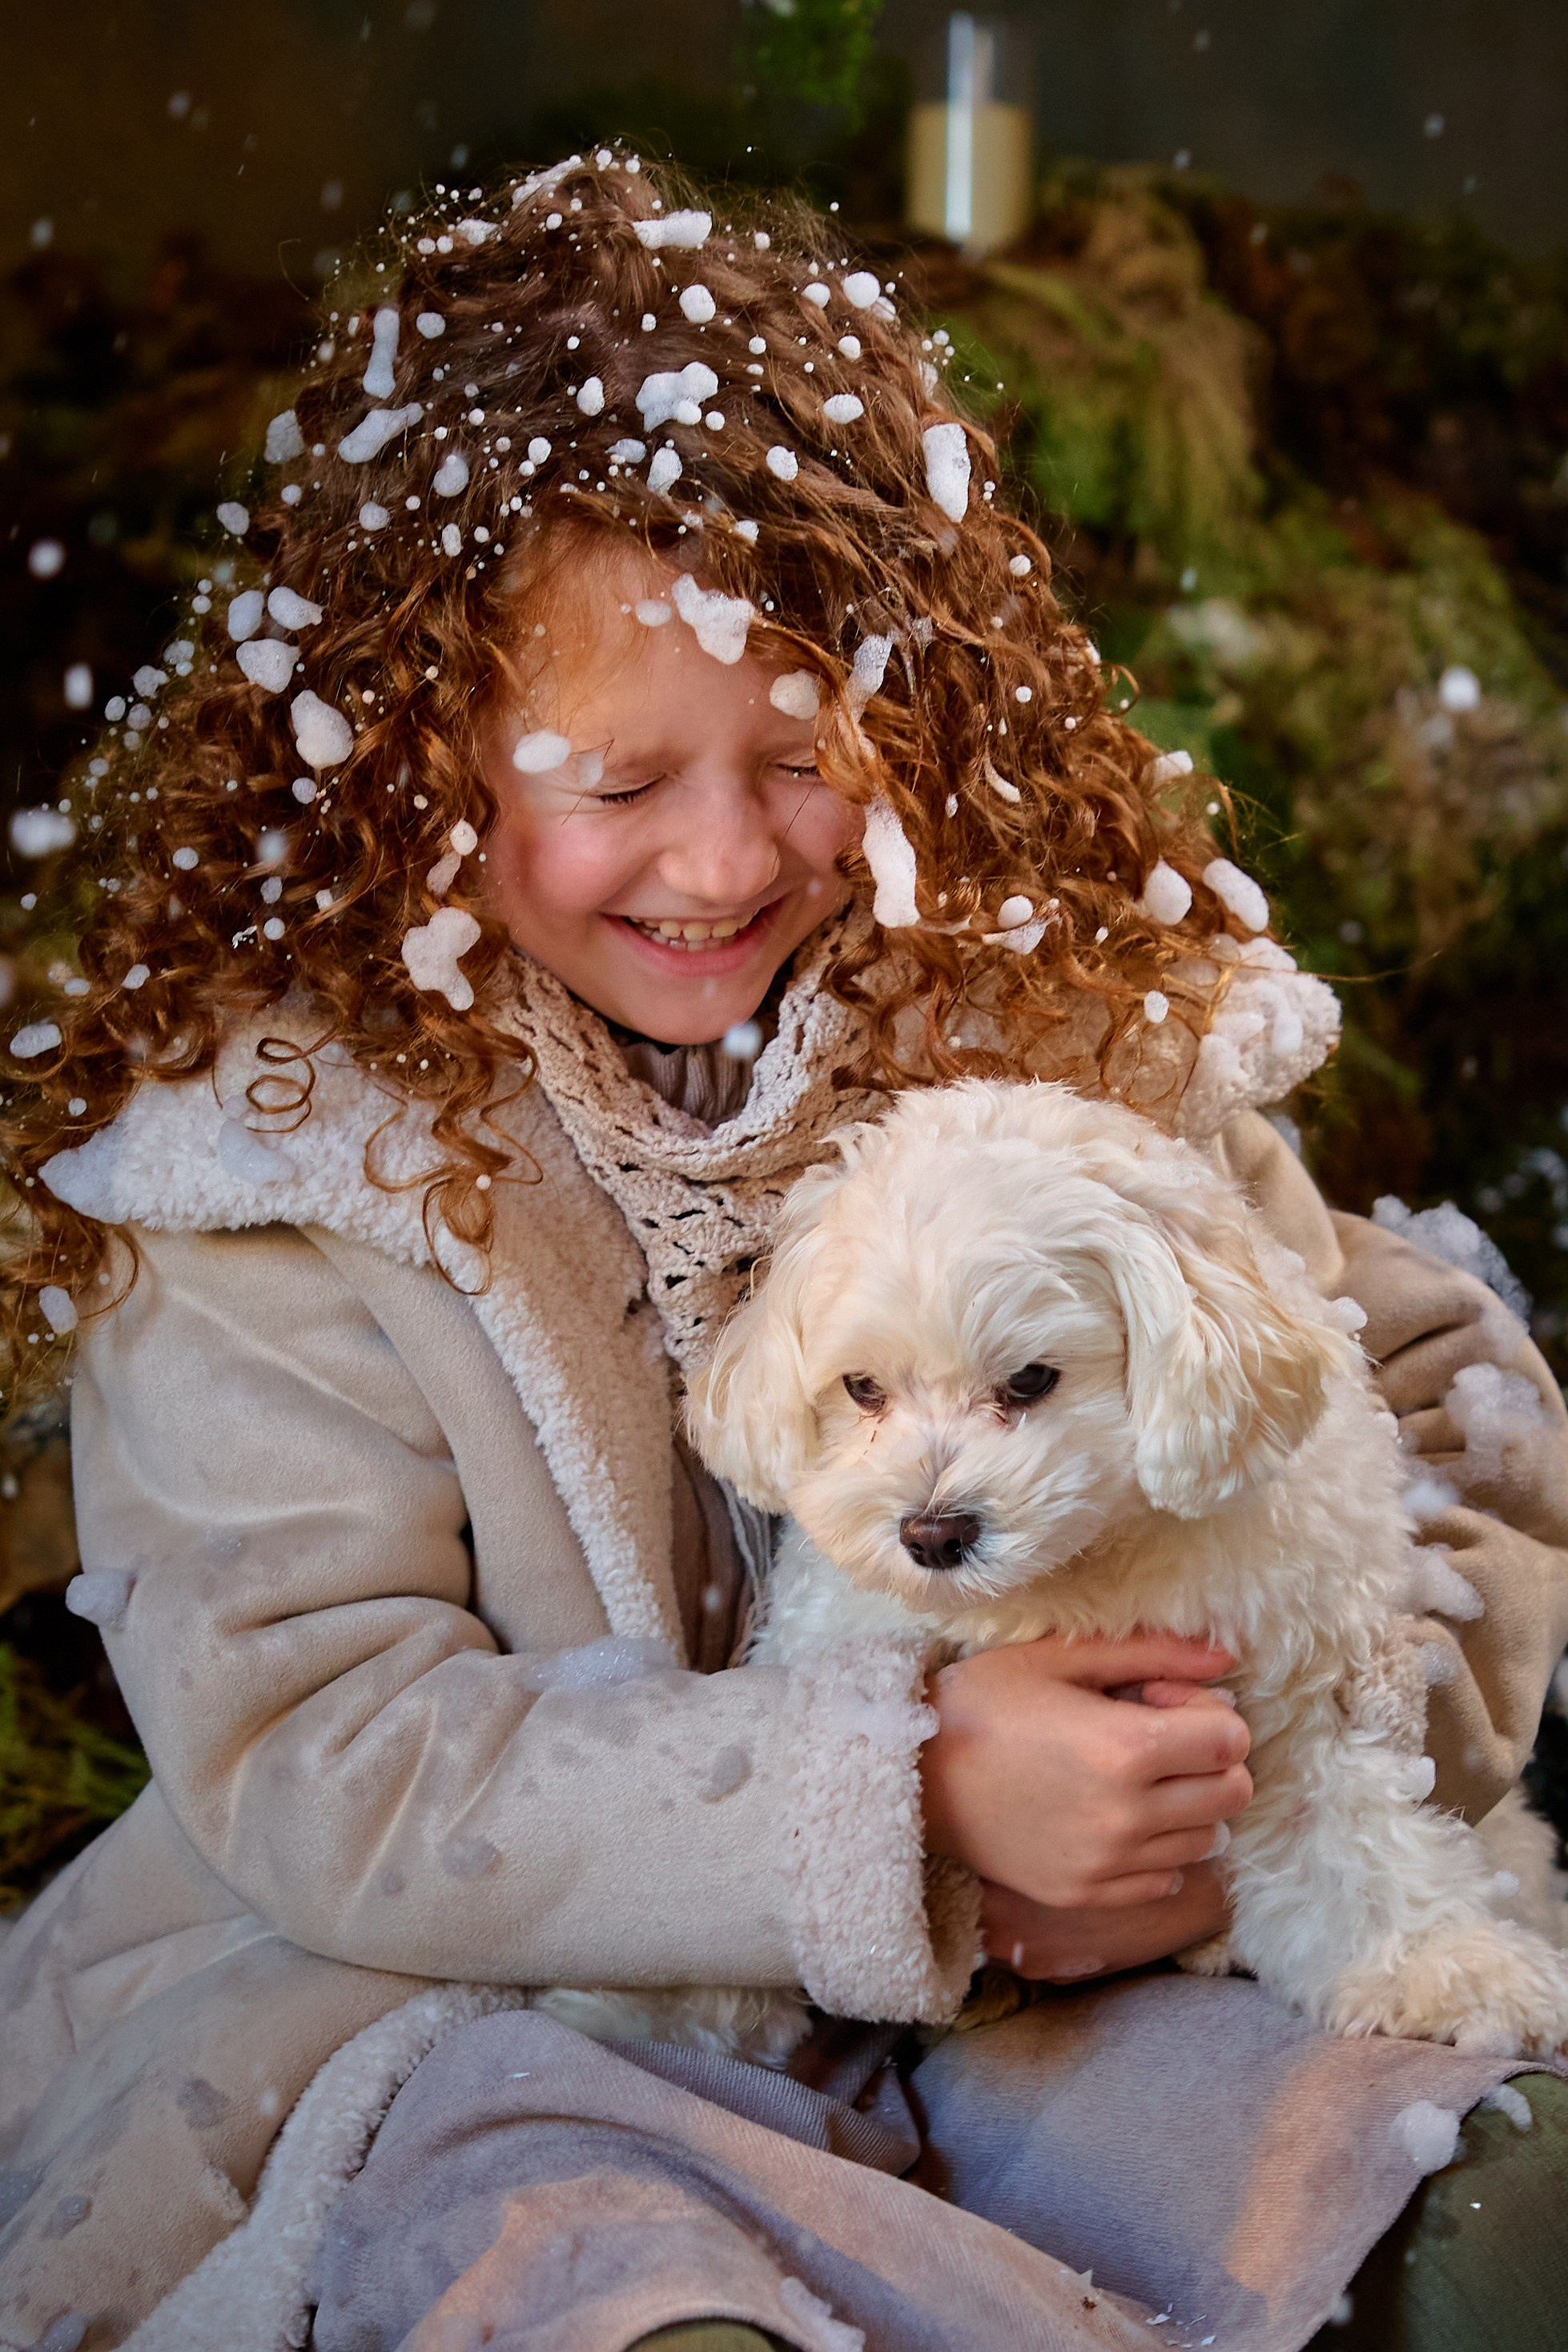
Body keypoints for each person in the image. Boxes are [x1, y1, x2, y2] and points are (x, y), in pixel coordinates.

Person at [0, 153, 1564, 2352]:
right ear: (417, 744)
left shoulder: (1057, 1013)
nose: (723, 857)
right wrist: (898, 1811)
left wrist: (1220, 1804)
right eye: (617, 777)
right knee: (580, 2268)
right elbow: (324, 1740)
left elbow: (1405, 1415)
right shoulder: (289, 1148)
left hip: (1130, 1965)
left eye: (803, 755)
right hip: (509, 2006)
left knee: (1437, 2199)